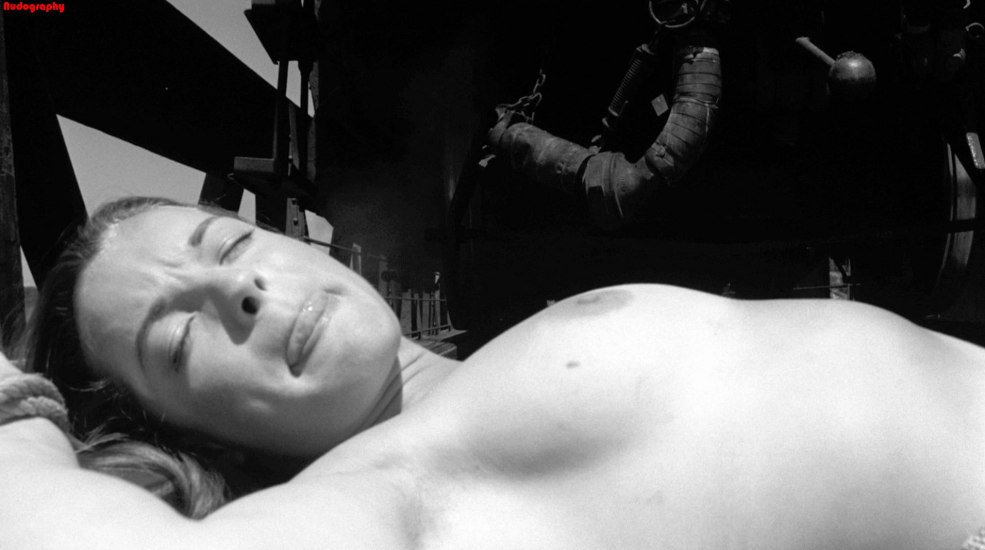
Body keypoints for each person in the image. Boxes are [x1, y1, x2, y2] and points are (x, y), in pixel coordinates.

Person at [3, 195, 985, 549]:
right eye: (179, 341)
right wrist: (17, 415)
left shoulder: (467, 389)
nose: (241, 291)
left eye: (229, 243)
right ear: (195, 436)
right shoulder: (387, 487)